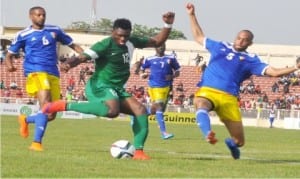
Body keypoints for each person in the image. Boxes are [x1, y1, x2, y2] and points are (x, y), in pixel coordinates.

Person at [41, 12, 175, 160]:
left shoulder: (132, 41)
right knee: (112, 111)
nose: (123, 39)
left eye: (126, 36)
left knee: (140, 110)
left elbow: (157, 41)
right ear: (113, 32)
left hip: (117, 88)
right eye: (119, 35)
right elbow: (83, 56)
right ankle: (64, 105)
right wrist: (69, 64)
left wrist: (167, 24)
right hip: (99, 85)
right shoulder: (104, 44)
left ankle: (139, 152)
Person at [186, 3, 300, 159]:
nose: (240, 41)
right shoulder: (220, 46)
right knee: (201, 104)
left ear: (249, 43)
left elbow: (273, 72)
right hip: (208, 90)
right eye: (239, 38)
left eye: (244, 40)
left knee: (239, 141)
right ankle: (208, 133)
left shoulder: (251, 59)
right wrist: (192, 15)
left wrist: (295, 66)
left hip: (229, 98)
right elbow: (198, 36)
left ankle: (232, 144)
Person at [5, 6, 84, 151]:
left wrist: (85, 54)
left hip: (53, 72)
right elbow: (9, 55)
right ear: (31, 17)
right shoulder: (23, 34)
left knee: (51, 114)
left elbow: (72, 44)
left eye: (43, 15)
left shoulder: (55, 30)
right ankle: (36, 143)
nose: (41, 17)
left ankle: (26, 119)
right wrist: (10, 65)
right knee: (46, 104)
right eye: (38, 15)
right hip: (35, 71)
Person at [139, 43, 180, 139]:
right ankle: (164, 132)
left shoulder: (171, 58)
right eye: (159, 46)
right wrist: (143, 75)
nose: (161, 48)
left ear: (165, 47)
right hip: (155, 86)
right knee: (159, 108)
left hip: (167, 87)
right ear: (155, 48)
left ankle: (138, 115)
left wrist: (173, 76)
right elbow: (141, 70)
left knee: (157, 110)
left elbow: (178, 71)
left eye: (163, 46)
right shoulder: (150, 59)